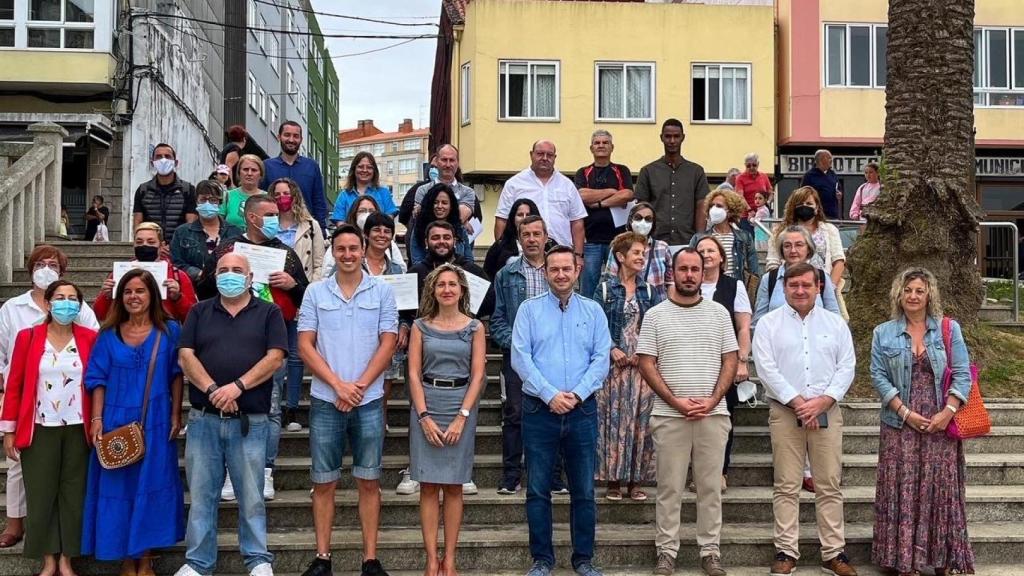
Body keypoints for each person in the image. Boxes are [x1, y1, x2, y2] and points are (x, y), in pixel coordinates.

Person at [174, 253, 287, 576]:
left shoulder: (268, 312)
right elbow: (186, 355)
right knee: (202, 494)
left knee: (251, 495)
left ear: (251, 278)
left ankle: (257, 559)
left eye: (238, 270)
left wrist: (237, 387)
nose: (230, 275)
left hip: (250, 421)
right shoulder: (199, 311)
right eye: (223, 270)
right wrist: (213, 390)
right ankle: (197, 562)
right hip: (204, 419)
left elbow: (275, 357)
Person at [297, 224, 397, 576]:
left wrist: (358, 386)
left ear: (364, 247)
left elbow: (389, 341)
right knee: (324, 481)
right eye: (341, 249)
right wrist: (339, 385)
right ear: (333, 252)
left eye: (354, 248)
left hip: (368, 399)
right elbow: (305, 344)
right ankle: (322, 558)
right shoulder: (315, 292)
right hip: (327, 398)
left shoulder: (382, 292)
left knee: (369, 481)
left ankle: (370, 559)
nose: (348, 254)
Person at [752, 262, 858, 576]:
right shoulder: (769, 324)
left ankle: (834, 553)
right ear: (784, 287)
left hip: (827, 411)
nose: (800, 290)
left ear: (818, 287)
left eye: (806, 285)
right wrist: (799, 402)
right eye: (793, 285)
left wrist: (823, 401)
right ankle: (786, 551)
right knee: (786, 484)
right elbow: (766, 368)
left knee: (829, 484)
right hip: (786, 412)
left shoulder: (835, 324)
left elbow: (846, 366)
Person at [511, 245, 611, 576]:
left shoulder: (594, 311)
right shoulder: (528, 310)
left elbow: (601, 358)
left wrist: (578, 394)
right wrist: (550, 394)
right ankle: (542, 559)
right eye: (554, 269)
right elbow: (520, 358)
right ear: (545, 272)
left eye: (567, 268)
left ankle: (583, 558)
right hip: (540, 410)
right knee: (538, 489)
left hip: (582, 412)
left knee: (583, 490)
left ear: (577, 269)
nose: (561, 274)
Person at [637, 248, 737, 576]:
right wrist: (675, 401)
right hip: (669, 415)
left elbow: (730, 360)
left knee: (710, 487)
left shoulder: (720, 313)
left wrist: (712, 399)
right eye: (684, 269)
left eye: (696, 268)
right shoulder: (655, 315)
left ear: (702, 271)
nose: (690, 275)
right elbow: (646, 363)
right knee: (669, 488)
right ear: (674, 272)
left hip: (713, 413)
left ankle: (710, 551)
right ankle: (667, 551)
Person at [870, 268, 975, 576]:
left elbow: (963, 372)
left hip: (939, 424)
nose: (913, 296)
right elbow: (878, 375)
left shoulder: (948, 329)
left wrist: (949, 411)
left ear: (930, 294)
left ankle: (940, 558)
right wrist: (904, 412)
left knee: (939, 488)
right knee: (902, 486)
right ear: (898, 295)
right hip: (899, 423)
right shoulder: (883, 332)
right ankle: (904, 560)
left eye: (919, 290)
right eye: (908, 290)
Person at [81, 269, 185, 576]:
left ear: (152, 294)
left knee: (152, 485)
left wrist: (176, 413)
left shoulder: (169, 331)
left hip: (155, 418)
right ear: (120, 296)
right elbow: (97, 378)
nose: (133, 297)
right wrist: (97, 418)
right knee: (119, 488)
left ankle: (146, 556)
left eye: (140, 291)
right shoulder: (108, 334)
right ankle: (126, 557)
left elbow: (176, 375)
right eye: (127, 291)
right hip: (114, 418)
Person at [207, 194, 309, 500]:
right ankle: (230, 471)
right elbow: (205, 284)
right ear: (252, 217)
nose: (276, 219)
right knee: (228, 402)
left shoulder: (285, 252)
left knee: (271, 405)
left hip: (273, 336)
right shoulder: (230, 248)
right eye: (270, 214)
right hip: (230, 333)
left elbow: (305, 292)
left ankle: (265, 470)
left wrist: (293, 285)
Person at [0, 246, 99, 550]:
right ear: (30, 268)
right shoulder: (13, 309)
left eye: (52, 264)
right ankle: (16, 522)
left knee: (70, 484)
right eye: (40, 263)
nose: (45, 267)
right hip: (26, 399)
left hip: (73, 411)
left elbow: (95, 351)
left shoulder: (80, 314)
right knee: (20, 468)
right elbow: (5, 354)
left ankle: (66, 549)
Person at [407, 264, 486, 576]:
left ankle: (449, 560)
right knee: (428, 486)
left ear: (462, 289)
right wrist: (423, 415)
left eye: (453, 284)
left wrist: (462, 417)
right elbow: (412, 372)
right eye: (441, 285)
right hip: (427, 402)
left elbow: (479, 375)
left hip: (461, 406)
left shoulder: (475, 328)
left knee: (453, 487)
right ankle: (431, 560)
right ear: (433, 290)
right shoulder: (419, 327)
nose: (447, 289)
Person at [489, 216, 567, 496]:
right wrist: (515, 345)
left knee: (555, 412)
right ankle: (511, 475)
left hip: (554, 355)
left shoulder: (559, 271)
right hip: (517, 358)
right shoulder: (506, 275)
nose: (532, 239)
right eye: (526, 234)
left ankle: (554, 477)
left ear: (546, 237)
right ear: (519, 238)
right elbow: (496, 318)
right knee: (515, 414)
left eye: (537, 233)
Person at [594, 232, 663, 502]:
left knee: (640, 423)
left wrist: (644, 353)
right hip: (614, 368)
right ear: (621, 257)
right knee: (612, 422)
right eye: (636, 253)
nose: (641, 257)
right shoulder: (603, 288)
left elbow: (657, 324)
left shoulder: (649, 290)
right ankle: (613, 479)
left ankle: (635, 480)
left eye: (643, 254)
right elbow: (596, 325)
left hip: (642, 367)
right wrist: (612, 348)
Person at [694, 236, 752, 493]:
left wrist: (742, 360)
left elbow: (743, 327)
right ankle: (697, 473)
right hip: (692, 362)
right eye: (701, 250)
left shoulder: (734, 285)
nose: (706, 254)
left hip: (724, 364)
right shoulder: (685, 285)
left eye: (711, 250)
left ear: (721, 256)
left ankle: (720, 471)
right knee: (693, 417)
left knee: (722, 418)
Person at [269, 177, 325, 431]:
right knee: (272, 356)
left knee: (295, 355)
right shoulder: (267, 225)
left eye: (286, 192)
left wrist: (308, 297)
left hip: (300, 296)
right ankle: (273, 406)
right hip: (270, 299)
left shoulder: (311, 226)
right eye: (277, 193)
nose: (282, 197)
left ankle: (291, 408)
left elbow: (318, 266)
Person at [361, 213, 410, 435]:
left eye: (387, 231)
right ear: (366, 234)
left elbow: (407, 309)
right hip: (356, 338)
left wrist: (404, 327)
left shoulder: (398, 271)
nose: (382, 235)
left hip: (387, 341)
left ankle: (377, 434)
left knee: (382, 392)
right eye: (376, 230)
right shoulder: (352, 263)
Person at [494, 140, 586, 257]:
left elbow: (577, 222)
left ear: (555, 157)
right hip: (522, 254)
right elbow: (502, 219)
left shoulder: (567, 185)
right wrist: (502, 252)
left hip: (561, 254)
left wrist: (578, 255)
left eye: (549, 155)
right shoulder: (514, 184)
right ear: (531, 154)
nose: (545, 158)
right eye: (540, 154)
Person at [766, 187, 847, 316]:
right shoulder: (778, 232)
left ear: (817, 207)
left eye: (809, 204)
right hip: (788, 288)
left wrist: (827, 288)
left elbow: (839, 261)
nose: (804, 207)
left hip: (821, 287)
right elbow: (773, 263)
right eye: (800, 204)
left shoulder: (829, 230)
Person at [94, 222, 197, 323]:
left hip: (165, 334)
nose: (144, 245)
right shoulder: (119, 274)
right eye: (139, 242)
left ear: (162, 245)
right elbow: (99, 314)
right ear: (133, 244)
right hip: (127, 333)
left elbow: (193, 317)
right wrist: (106, 295)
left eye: (151, 242)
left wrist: (178, 297)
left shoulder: (178, 276)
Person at [574, 130, 634, 298]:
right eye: (597, 143)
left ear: (612, 147)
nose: (601, 145)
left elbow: (627, 195)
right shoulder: (582, 172)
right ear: (591, 148)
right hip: (590, 241)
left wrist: (598, 203)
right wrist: (611, 191)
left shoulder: (621, 170)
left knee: (617, 286)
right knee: (588, 289)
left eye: (605, 142)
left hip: (617, 241)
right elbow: (581, 195)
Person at [635, 119, 710, 246]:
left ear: (683, 138)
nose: (672, 141)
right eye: (668, 136)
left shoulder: (696, 171)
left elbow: (702, 205)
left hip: (687, 241)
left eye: (676, 136)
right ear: (661, 138)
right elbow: (642, 206)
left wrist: (699, 238)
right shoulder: (647, 171)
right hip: (655, 241)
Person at [754, 226, 841, 328]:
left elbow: (834, 316)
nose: (793, 250)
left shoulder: (822, 277)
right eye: (787, 246)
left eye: (799, 245)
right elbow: (758, 321)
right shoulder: (769, 279)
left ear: (808, 248)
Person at [171, 180, 244, 288]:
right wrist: (200, 274)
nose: (207, 203)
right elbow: (176, 262)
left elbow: (242, 261)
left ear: (220, 203)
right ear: (196, 201)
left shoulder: (235, 232)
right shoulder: (182, 232)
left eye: (213, 200)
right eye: (203, 199)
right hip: (193, 288)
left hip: (228, 288)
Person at [601, 202, 674, 301]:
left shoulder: (663, 247)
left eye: (648, 219)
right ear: (631, 220)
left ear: (653, 224)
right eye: (638, 218)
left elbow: (671, 282)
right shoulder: (618, 247)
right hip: (628, 308)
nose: (643, 222)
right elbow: (610, 280)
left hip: (658, 308)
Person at [262, 121, 328, 229]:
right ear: (279, 137)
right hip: (275, 229)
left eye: (296, 136)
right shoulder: (267, 166)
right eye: (287, 135)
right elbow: (262, 199)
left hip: (306, 229)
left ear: (301, 140)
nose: (291, 140)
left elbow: (319, 201)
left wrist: (321, 230)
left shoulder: (312, 166)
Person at [411, 145, 478, 250]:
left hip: (459, 251)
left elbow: (459, 217)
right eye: (444, 160)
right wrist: (463, 222)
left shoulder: (468, 192)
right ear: (436, 162)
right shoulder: (422, 190)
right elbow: (420, 218)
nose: (448, 164)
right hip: (426, 251)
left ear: (457, 163)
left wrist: (462, 220)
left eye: (452, 160)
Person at [689, 188, 759, 282]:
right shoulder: (698, 238)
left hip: (734, 288)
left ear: (730, 211)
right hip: (707, 288)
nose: (713, 209)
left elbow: (754, 270)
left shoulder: (744, 237)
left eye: (719, 206)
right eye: (711, 206)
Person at [132, 143, 198, 239]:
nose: (163, 160)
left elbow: (191, 224)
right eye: (158, 157)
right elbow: (137, 223)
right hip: (152, 247)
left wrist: (176, 245)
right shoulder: (143, 190)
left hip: (179, 248)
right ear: (152, 163)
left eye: (167, 156)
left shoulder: (187, 190)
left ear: (176, 162)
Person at [483, 198, 547, 280]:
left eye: (528, 215)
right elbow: (488, 277)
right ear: (513, 218)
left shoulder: (548, 244)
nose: (524, 218)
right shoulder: (500, 246)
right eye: (520, 215)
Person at [410, 183, 472, 265]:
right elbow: (417, 261)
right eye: (435, 202)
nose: (439, 206)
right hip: (427, 275)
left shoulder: (459, 228)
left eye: (444, 203)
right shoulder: (419, 228)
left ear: (451, 206)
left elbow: (468, 259)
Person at [330, 151, 399, 224]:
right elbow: (339, 222)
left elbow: (389, 217)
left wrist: (378, 232)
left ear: (374, 171)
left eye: (369, 167)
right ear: (354, 170)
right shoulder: (344, 195)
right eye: (360, 167)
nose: (365, 170)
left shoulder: (384, 193)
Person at [222, 154, 267, 229]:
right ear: (239, 173)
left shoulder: (268, 198)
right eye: (245, 169)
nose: (249, 173)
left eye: (254, 170)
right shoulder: (227, 196)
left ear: (261, 174)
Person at [800, 149, 842, 220]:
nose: (831, 160)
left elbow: (839, 188)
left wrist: (839, 194)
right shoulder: (809, 176)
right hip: (816, 215)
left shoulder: (832, 174)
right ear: (821, 159)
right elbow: (803, 195)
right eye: (829, 158)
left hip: (832, 215)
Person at [735, 153, 773, 228]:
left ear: (758, 164)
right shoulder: (740, 178)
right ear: (745, 165)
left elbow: (771, 192)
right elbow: (740, 196)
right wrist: (749, 210)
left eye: (754, 165)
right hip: (746, 216)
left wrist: (767, 203)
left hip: (762, 215)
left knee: (762, 238)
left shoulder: (763, 176)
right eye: (748, 166)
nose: (751, 167)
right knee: (748, 238)